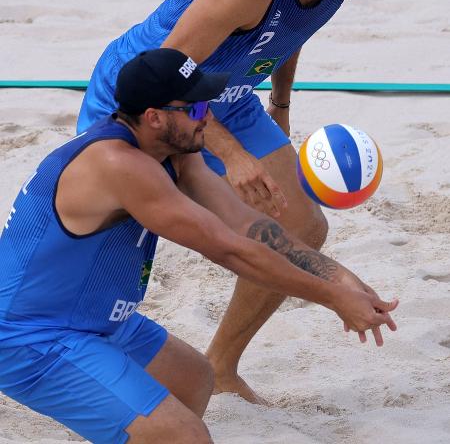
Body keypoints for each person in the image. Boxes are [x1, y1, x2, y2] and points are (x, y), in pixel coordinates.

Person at [77, 0, 378, 401]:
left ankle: (221, 368)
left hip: (229, 93)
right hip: (145, 92)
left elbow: (294, 32)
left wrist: (281, 106)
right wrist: (233, 155)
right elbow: (169, 75)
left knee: (304, 228)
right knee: (109, 236)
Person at [0, 49, 397, 443]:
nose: (206, 116)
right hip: (31, 336)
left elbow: (248, 227)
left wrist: (338, 275)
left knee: (193, 379)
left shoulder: (173, 151)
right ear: (154, 117)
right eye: (194, 109)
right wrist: (333, 299)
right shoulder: (120, 166)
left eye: (207, 103)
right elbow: (230, 251)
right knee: (185, 436)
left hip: (94, 317)